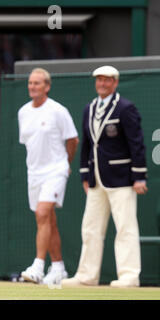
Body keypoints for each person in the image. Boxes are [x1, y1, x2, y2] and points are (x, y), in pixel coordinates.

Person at [62, 65, 148, 288]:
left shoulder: (126, 108)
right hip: (95, 179)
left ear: (115, 82)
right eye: (99, 80)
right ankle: (86, 276)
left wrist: (139, 176)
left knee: (125, 227)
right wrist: (84, 174)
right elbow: (87, 145)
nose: (102, 83)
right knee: (90, 228)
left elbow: (136, 143)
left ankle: (129, 276)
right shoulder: (88, 109)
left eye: (106, 80)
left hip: (122, 178)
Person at [18, 68, 79, 285]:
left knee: (43, 213)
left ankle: (37, 266)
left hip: (55, 170)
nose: (32, 87)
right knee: (48, 220)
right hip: (34, 173)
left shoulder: (58, 111)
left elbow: (73, 140)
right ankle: (59, 268)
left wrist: (65, 163)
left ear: (47, 86)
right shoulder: (23, 112)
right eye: (30, 83)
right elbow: (29, 145)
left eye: (37, 83)